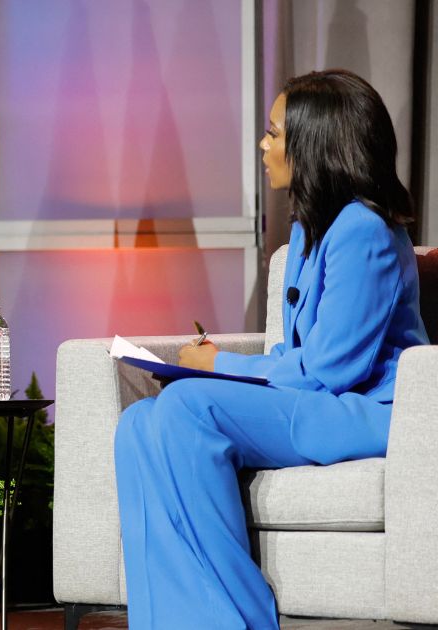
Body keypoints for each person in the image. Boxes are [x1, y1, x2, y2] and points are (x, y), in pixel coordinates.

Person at [113, 69, 429, 629]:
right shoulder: (309, 231)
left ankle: (237, 620)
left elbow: (331, 371)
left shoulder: (366, 231)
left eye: (275, 132)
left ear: (315, 144)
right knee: (139, 422)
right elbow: (298, 359)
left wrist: (218, 367)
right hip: (322, 404)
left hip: (374, 413)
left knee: (190, 406)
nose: (264, 144)